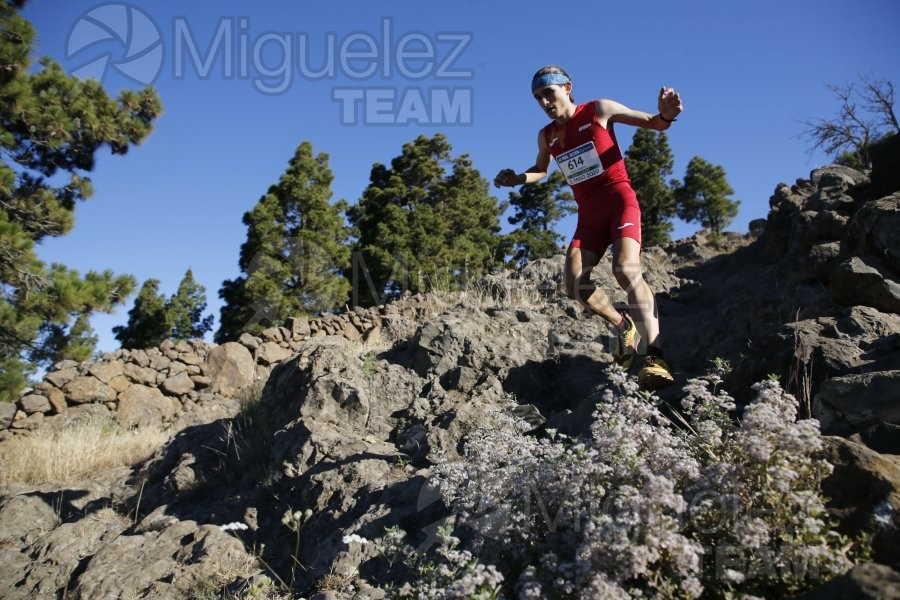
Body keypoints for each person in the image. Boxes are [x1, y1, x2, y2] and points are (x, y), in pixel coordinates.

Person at [493, 65, 683, 390]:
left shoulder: (599, 110)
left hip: (619, 201)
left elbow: (653, 124)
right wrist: (518, 179)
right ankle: (624, 326)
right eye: (538, 97)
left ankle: (655, 356)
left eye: (548, 93)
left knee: (625, 270)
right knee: (575, 285)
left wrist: (665, 116)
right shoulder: (547, 135)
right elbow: (542, 169)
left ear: (567, 87)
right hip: (589, 217)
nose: (544, 101)